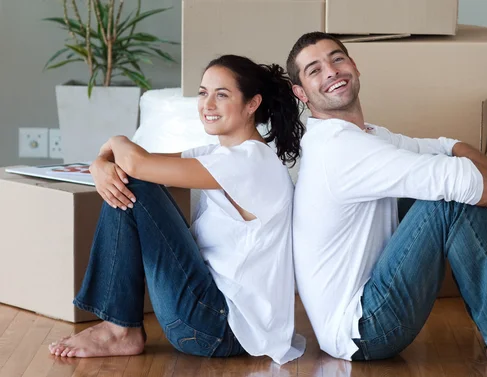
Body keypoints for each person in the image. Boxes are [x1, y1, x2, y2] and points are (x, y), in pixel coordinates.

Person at [286, 32, 487, 362]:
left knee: (447, 176)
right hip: (366, 329)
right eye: (314, 70)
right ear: (301, 92)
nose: (331, 71)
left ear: (354, 66)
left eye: (336, 59)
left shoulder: (363, 136)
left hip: (365, 311)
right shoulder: (340, 149)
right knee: (449, 199)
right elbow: (461, 181)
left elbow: (446, 147)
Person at [48, 54, 306, 364]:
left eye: (221, 95)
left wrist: (116, 141)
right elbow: (131, 160)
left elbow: (134, 164)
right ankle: (118, 327)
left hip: (218, 328)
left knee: (136, 183)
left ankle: (119, 329)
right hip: (211, 319)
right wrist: (99, 164)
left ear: (252, 104)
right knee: (134, 178)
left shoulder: (250, 163)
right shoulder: (219, 153)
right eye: (203, 92)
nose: (207, 104)